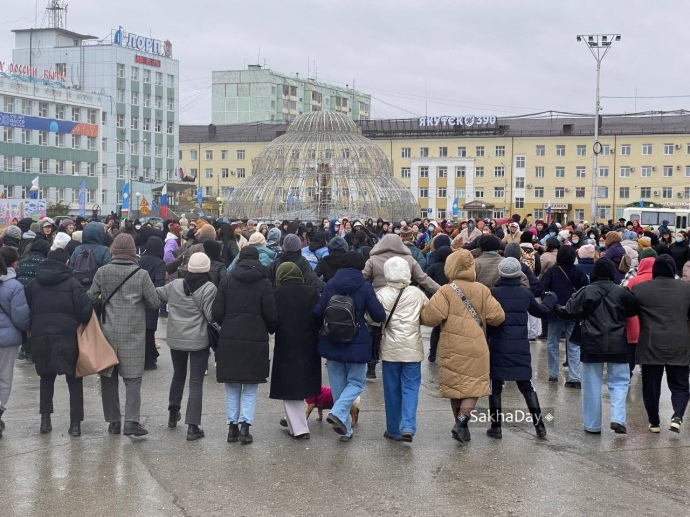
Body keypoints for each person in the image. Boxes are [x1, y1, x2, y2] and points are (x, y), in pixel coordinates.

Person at [421, 249, 505, 445]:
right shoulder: (483, 290)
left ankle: (460, 424)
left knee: (455, 388)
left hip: (451, 346)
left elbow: (430, 318)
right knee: (473, 388)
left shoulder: (446, 291)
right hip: (477, 345)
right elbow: (497, 317)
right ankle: (462, 424)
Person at [88, 234, 161, 436]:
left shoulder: (103, 272)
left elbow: (90, 296)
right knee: (133, 380)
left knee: (108, 379)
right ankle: (131, 421)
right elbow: (155, 302)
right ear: (133, 251)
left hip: (107, 334)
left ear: (113, 250)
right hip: (133, 335)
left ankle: (113, 422)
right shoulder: (141, 274)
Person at [556, 258, 638, 434]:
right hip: (618, 344)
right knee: (620, 382)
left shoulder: (586, 292)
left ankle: (592, 425)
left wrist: (553, 305)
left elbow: (569, 311)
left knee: (591, 385)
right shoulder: (621, 292)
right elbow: (634, 309)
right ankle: (618, 417)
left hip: (591, 343)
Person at [314, 251, 386, 442]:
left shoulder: (331, 285)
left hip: (332, 340)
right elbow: (379, 315)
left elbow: (318, 311)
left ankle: (345, 429)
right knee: (356, 383)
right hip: (356, 341)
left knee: (338, 386)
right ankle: (338, 413)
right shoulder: (364, 286)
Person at [212, 246, 278, 444]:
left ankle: (231, 427)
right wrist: (268, 328)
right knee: (250, 385)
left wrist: (229, 323)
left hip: (230, 336)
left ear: (239, 260)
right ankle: (244, 427)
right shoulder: (264, 283)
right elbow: (272, 315)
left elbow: (216, 312)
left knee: (232, 384)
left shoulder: (226, 281)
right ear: (258, 260)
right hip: (255, 338)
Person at [25, 249, 93, 436]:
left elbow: (27, 311)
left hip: (41, 337)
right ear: (66, 262)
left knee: (46, 379)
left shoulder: (33, 284)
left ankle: (45, 421)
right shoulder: (73, 284)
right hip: (68, 338)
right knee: (74, 379)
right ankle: (75, 425)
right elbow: (85, 312)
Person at [487, 257, 556, 439]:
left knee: (495, 386)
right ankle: (540, 426)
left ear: (500, 273)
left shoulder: (492, 293)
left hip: (498, 345)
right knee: (526, 385)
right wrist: (551, 298)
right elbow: (542, 312)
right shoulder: (525, 294)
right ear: (518, 273)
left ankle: (496, 427)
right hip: (520, 347)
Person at [156, 252, 217, 441]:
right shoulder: (209, 288)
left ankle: (173, 413)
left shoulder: (175, 285)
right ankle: (193, 425)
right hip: (198, 340)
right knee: (196, 382)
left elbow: (156, 297)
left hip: (175, 338)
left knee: (178, 375)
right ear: (207, 268)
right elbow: (210, 316)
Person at [631, 255, 690, 433]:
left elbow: (630, 310)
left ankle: (654, 422)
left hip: (651, 343)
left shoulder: (639, 289)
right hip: (680, 342)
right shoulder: (686, 289)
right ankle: (677, 416)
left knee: (651, 385)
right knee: (680, 383)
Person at [375, 256, 429, 442]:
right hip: (412, 348)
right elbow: (428, 314)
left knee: (391, 390)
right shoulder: (416, 292)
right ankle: (408, 424)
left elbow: (372, 317)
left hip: (390, 349)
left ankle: (393, 429)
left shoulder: (381, 294)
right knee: (411, 388)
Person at [271, 263, 321, 440]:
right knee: (301, 385)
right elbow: (319, 317)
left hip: (286, 344)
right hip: (309, 343)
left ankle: (300, 429)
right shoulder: (311, 292)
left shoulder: (277, 294)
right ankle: (295, 426)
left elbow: (272, 321)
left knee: (289, 386)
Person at [540, 246, 589, 386]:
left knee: (552, 343)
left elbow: (542, 289)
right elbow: (585, 290)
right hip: (573, 313)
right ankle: (575, 377)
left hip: (556, 312)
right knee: (573, 344)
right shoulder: (579, 272)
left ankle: (553, 374)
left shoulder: (551, 272)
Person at [0, 251, 31, 440]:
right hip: (7, 340)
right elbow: (20, 317)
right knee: (4, 377)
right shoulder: (14, 286)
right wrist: (27, 329)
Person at [624, 248, 657, 376]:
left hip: (634, 324)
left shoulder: (633, 280)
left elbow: (623, 298)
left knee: (631, 354)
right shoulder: (662, 279)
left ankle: (627, 376)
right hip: (654, 326)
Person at [138, 236, 167, 370]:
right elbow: (159, 282)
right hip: (151, 299)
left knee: (140, 330)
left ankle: (142, 357)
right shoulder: (159, 263)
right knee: (149, 330)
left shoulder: (140, 260)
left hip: (138, 299)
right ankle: (149, 360)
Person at [69, 222, 112, 290]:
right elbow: (107, 273)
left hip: (78, 289)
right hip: (96, 290)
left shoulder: (78, 249)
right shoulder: (104, 250)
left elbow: (70, 269)